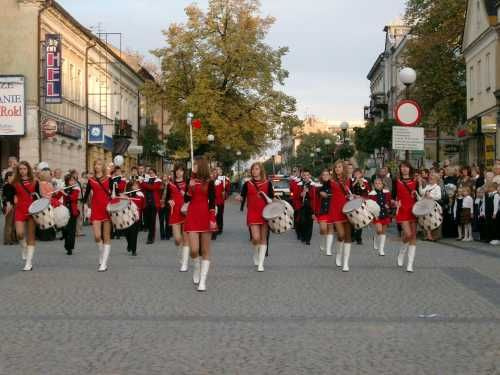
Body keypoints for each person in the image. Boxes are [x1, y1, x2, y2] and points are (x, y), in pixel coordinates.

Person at [184, 157, 217, 291]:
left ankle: (203, 281)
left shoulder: (210, 182)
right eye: (193, 165)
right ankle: (196, 267)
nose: (193, 167)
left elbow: (213, 201)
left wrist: (212, 218)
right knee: (193, 250)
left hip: (205, 215)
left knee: (205, 250)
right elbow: (186, 198)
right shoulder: (190, 180)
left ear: (201, 166)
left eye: (195, 165)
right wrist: (190, 188)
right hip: (192, 214)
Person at [239, 162, 274, 272]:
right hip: (252, 213)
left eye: (257, 169)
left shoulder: (268, 183)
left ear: (261, 170)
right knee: (256, 238)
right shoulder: (247, 184)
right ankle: (255, 252)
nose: (255, 171)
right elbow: (242, 196)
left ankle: (261, 263)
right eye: (253, 169)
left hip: (265, 213)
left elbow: (272, 199)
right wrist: (239, 198)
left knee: (263, 238)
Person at [83, 159, 113, 272]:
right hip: (95, 208)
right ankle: (102, 253)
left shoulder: (109, 179)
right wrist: (84, 205)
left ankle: (104, 263)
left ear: (103, 166)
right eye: (95, 164)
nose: (97, 166)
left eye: (99, 164)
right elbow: (86, 195)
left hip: (107, 208)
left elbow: (116, 192)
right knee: (96, 236)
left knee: (106, 236)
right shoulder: (91, 180)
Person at [13, 161, 39, 271]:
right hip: (20, 209)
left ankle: (28, 263)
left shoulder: (35, 181)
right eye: (20, 169)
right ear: (18, 171)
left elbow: (39, 196)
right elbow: (10, 194)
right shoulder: (15, 182)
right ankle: (24, 247)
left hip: (32, 210)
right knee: (19, 234)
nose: (22, 171)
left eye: (24, 168)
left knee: (31, 237)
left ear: (28, 169)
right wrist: (12, 199)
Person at [394, 162, 418, 273]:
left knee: (413, 237)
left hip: (413, 210)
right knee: (408, 234)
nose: (404, 169)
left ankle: (410, 264)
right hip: (403, 210)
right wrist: (395, 203)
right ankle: (402, 251)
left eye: (406, 167)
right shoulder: (397, 181)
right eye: (402, 167)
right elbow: (393, 196)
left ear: (410, 168)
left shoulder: (415, 181)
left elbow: (420, 194)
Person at [329, 160, 352, 272]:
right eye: (336, 167)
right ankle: (338, 253)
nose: (337, 169)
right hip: (336, 210)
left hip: (347, 210)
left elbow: (354, 193)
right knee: (341, 235)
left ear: (344, 168)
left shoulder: (349, 180)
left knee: (348, 236)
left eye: (339, 167)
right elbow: (323, 189)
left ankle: (345, 263)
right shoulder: (331, 181)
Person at [166, 163, 190, 271]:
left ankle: (184, 263)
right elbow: (167, 198)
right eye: (177, 170)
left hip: (186, 212)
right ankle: (180, 252)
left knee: (185, 238)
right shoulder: (170, 184)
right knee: (177, 239)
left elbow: (192, 196)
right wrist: (169, 201)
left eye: (181, 170)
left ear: (184, 172)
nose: (178, 172)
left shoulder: (188, 182)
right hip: (175, 212)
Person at [312, 169, 335, 256]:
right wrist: (313, 213)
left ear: (330, 176)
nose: (325, 176)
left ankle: (328, 249)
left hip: (331, 210)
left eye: (327, 174)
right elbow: (314, 200)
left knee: (330, 228)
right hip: (321, 210)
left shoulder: (333, 185)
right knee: (323, 229)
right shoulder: (317, 186)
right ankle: (322, 240)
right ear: (321, 176)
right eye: (323, 174)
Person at [368, 178, 392, 256]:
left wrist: (388, 205)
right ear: (374, 185)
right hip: (376, 215)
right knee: (379, 230)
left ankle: (381, 249)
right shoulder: (372, 194)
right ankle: (376, 237)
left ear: (382, 184)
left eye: (379, 183)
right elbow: (369, 205)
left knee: (383, 232)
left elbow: (389, 201)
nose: (378, 185)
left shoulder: (387, 192)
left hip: (385, 213)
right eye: (376, 183)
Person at [140, 168, 163, 244]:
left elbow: (152, 188)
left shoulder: (158, 181)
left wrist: (143, 183)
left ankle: (151, 238)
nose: (151, 174)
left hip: (154, 203)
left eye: (152, 172)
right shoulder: (146, 180)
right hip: (146, 203)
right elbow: (142, 188)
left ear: (155, 173)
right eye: (149, 173)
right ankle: (150, 235)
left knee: (152, 221)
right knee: (147, 221)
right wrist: (141, 181)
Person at [59, 174, 80, 255]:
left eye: (73, 180)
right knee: (65, 228)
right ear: (67, 181)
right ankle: (65, 238)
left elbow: (72, 198)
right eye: (71, 180)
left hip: (72, 211)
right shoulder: (65, 187)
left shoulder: (76, 189)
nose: (73, 182)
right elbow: (57, 196)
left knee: (71, 230)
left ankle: (70, 248)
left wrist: (64, 193)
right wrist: (58, 191)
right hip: (65, 210)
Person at [418, 173, 442, 241]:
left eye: (432, 177)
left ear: (436, 179)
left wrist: (431, 196)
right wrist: (420, 184)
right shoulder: (428, 186)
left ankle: (434, 236)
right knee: (426, 220)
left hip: (433, 206)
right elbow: (421, 192)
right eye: (430, 177)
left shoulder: (437, 187)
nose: (430, 178)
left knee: (433, 221)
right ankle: (428, 235)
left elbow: (439, 197)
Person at [350, 168, 371, 245]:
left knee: (360, 219)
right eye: (355, 173)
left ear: (361, 174)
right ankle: (352, 236)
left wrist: (361, 183)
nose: (357, 175)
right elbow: (349, 189)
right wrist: (355, 181)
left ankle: (359, 238)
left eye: (359, 173)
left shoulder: (365, 181)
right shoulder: (351, 181)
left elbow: (367, 191)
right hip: (352, 202)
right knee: (352, 219)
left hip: (360, 202)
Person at [125, 180, 144, 256]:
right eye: (134, 185)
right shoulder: (126, 194)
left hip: (136, 216)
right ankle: (129, 244)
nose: (136, 187)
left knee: (134, 234)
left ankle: (134, 250)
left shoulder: (140, 194)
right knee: (127, 233)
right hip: (127, 215)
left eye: (137, 185)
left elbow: (142, 204)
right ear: (130, 186)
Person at [297, 169, 314, 245]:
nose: (306, 177)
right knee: (302, 222)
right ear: (303, 176)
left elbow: (314, 197)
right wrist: (302, 194)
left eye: (308, 175)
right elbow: (297, 196)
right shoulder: (300, 184)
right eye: (304, 175)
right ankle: (303, 236)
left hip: (310, 207)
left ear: (310, 176)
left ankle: (308, 239)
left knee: (310, 223)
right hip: (302, 206)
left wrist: (308, 192)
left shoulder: (313, 185)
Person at [214, 166, 231, 238]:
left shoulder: (225, 179)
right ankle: (214, 228)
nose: (217, 171)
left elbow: (228, 190)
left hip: (220, 200)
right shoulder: (211, 178)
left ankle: (219, 229)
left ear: (221, 171)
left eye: (218, 170)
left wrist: (225, 194)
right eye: (216, 170)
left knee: (219, 215)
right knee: (213, 215)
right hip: (212, 200)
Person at [2, 171, 17, 245]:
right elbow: (7, 197)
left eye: (13, 176)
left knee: (13, 223)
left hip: (13, 205)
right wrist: (8, 206)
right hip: (9, 205)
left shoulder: (12, 185)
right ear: (7, 178)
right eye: (11, 176)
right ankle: (7, 240)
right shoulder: (7, 186)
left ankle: (12, 238)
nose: (13, 178)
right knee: (9, 224)